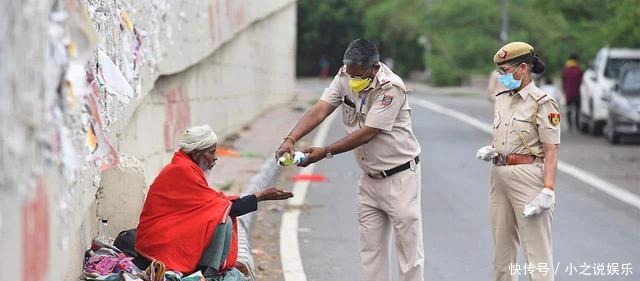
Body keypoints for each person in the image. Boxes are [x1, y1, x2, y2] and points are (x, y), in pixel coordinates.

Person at [275, 38, 423, 281]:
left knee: (409, 253)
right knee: (370, 251)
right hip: (369, 178)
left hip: (400, 177)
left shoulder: (390, 88)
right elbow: (321, 109)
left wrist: (326, 151)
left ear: (374, 68)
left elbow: (369, 132)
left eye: (359, 75)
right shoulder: (345, 75)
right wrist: (291, 138)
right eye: (350, 73)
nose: (353, 80)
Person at [135, 125, 293, 279]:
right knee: (222, 220)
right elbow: (223, 207)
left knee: (220, 213)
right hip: (158, 240)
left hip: (169, 231)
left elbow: (212, 201)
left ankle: (210, 269)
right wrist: (260, 196)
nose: (215, 157)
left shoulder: (187, 167)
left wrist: (257, 196)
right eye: (211, 152)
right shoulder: (181, 170)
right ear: (197, 154)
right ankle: (208, 273)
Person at [476, 42, 560, 281]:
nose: (500, 76)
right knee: (502, 253)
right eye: (499, 71)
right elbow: (501, 134)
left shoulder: (543, 102)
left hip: (528, 176)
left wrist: (548, 189)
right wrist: (492, 149)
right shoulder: (502, 97)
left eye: (504, 71)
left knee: (537, 253)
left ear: (523, 68)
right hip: (499, 175)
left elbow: (551, 149)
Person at [562, 54, 583, 131]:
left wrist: (564, 91)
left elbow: (563, 82)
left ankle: (570, 126)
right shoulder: (579, 70)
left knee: (569, 110)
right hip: (577, 93)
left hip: (568, 93)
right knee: (577, 110)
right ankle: (577, 125)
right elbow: (581, 82)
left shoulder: (565, 70)